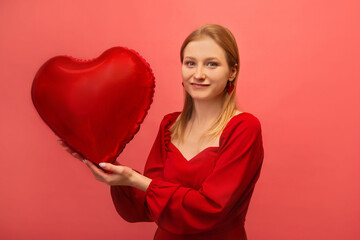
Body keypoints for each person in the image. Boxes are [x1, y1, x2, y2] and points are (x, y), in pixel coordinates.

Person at [58, 24, 264, 240]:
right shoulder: (169, 125)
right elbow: (149, 204)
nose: (198, 74)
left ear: (232, 71)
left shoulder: (244, 127)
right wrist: (108, 164)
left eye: (211, 64)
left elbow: (211, 207)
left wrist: (135, 180)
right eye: (190, 63)